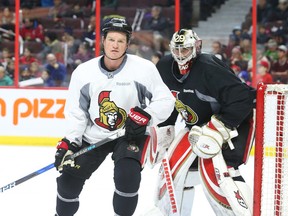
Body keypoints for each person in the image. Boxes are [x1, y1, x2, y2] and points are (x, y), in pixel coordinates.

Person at [53, 17, 175, 216]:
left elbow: (166, 100)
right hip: (94, 134)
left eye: (120, 41)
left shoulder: (144, 69)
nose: (115, 45)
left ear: (127, 43)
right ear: (103, 41)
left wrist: (146, 117)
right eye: (111, 40)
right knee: (68, 181)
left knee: (128, 176)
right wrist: (71, 142)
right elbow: (77, 112)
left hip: (130, 134)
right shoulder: (84, 73)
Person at [144, 29, 256, 216]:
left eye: (185, 50)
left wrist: (221, 125)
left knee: (220, 173)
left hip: (235, 121)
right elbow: (169, 99)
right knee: (172, 171)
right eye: (177, 50)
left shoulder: (209, 67)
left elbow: (244, 98)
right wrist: (166, 126)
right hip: (197, 128)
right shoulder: (163, 67)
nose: (180, 55)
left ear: (196, 47)